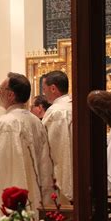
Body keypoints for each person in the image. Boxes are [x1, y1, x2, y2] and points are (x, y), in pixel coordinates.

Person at [0, 72, 54, 221]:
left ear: (11, 95)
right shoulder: (36, 122)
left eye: (1, 88)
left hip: (13, 196)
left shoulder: (6, 123)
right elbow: (45, 164)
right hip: (35, 196)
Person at [42, 70, 72, 204]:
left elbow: (48, 148)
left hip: (60, 178)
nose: (44, 93)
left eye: (44, 89)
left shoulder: (55, 112)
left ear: (53, 88)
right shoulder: (75, 106)